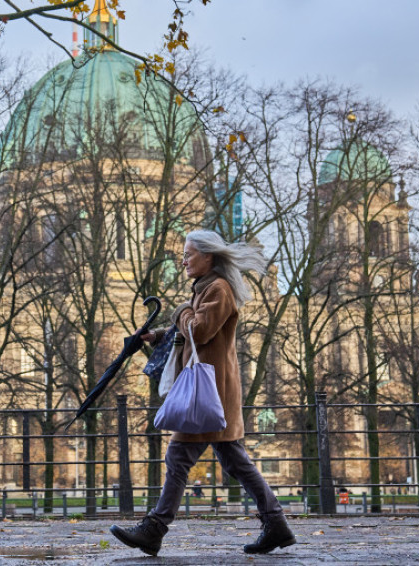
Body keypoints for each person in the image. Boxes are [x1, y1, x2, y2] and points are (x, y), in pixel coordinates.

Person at [110, 229, 295, 557]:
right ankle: (276, 523)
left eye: (189, 254)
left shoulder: (219, 289)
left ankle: (154, 529)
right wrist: (159, 334)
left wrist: (179, 312)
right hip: (213, 390)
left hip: (208, 392)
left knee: (179, 457)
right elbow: (193, 328)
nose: (183, 260)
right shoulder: (208, 289)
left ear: (208, 257)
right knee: (235, 462)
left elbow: (200, 328)